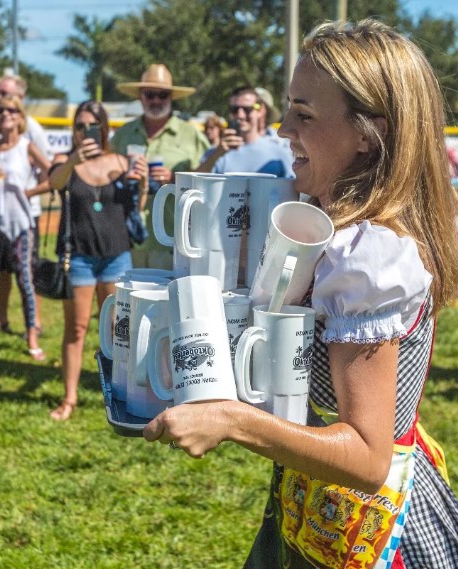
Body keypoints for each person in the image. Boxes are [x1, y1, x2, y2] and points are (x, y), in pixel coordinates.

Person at [144, 20, 458, 569]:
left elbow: (368, 456)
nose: (283, 128)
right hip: (318, 507)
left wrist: (230, 419)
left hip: (366, 535)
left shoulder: (370, 254)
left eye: (304, 114)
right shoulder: (338, 230)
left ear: (369, 135)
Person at [48, 100, 147, 421]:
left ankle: (121, 394)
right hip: (79, 258)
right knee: (75, 330)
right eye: (80, 126)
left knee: (119, 331)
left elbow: (133, 207)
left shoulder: (120, 161)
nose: (86, 132)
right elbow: (55, 183)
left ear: (104, 128)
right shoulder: (65, 163)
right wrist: (74, 159)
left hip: (117, 257)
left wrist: (142, 184)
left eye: (92, 125)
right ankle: (69, 398)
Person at [0, 94, 48, 363]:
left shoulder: (26, 146)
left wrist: (30, 191)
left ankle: (32, 338)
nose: (6, 114)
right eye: (1, 110)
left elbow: (51, 175)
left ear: (20, 116)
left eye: (12, 110)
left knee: (25, 280)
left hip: (20, 224)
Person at [111, 63, 210, 269]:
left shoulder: (192, 136)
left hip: (173, 241)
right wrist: (123, 178)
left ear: (171, 97)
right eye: (150, 94)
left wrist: (175, 179)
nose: (156, 100)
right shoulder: (122, 135)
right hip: (128, 242)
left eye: (162, 95)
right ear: (140, 96)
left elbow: (209, 184)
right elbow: (107, 177)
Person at [0, 74, 52, 334]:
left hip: (27, 215)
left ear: (21, 98)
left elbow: (49, 171)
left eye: (6, 93)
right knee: (1, 270)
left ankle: (34, 322)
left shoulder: (32, 128)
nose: (1, 98)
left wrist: (29, 192)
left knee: (28, 270)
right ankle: (1, 319)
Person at [197, 86, 294, 177]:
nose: (240, 115)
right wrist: (216, 154)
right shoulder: (217, 151)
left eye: (247, 109)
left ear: (260, 111)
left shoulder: (279, 151)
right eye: (234, 110)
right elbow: (193, 183)